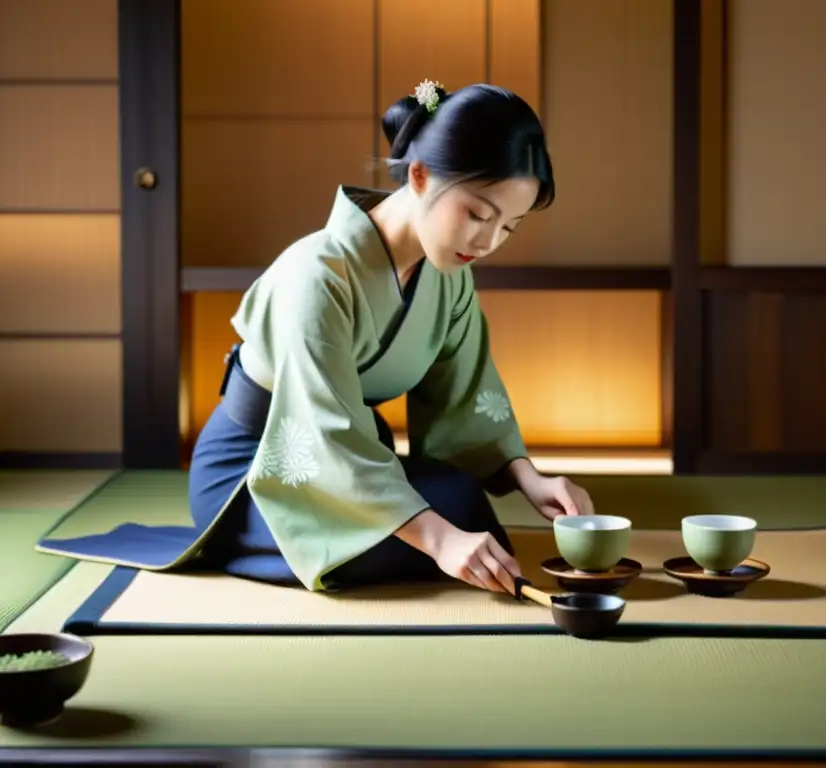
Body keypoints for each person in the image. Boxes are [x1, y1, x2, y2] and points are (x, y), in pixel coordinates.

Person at [36, 80, 596, 595]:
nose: (489, 240)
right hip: (260, 463)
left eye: (508, 228)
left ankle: (399, 527)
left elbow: (465, 395)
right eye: (478, 213)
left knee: (465, 508)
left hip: (351, 451)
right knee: (424, 538)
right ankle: (245, 536)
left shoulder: (448, 279)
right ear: (421, 176)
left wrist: (529, 478)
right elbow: (322, 430)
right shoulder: (316, 274)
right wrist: (440, 539)